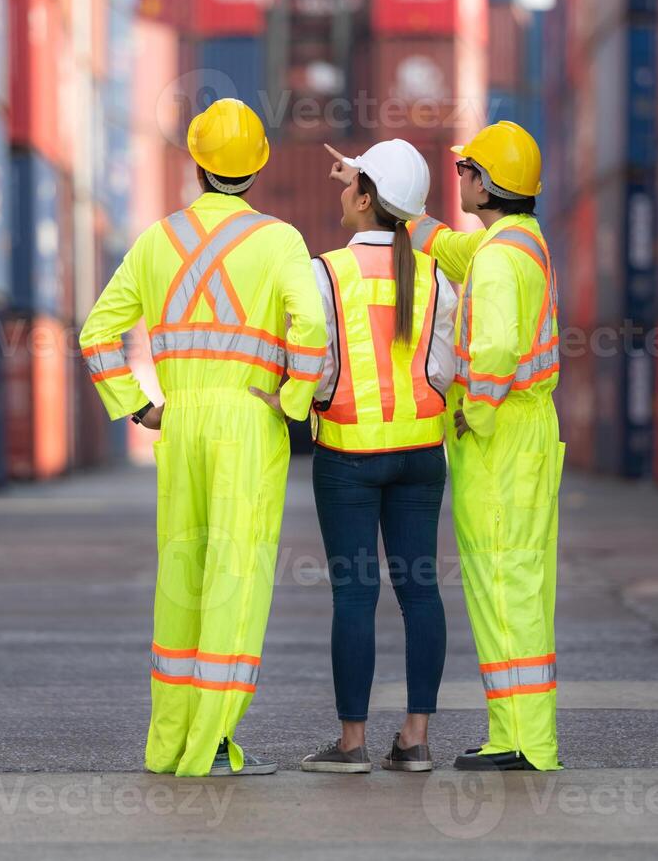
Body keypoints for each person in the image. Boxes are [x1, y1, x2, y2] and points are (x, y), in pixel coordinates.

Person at [78, 99, 329, 778]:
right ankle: (214, 741)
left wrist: (140, 407)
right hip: (249, 419)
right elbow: (312, 330)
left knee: (181, 574)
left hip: (183, 420)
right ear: (259, 167)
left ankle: (172, 740)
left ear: (195, 165)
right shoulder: (280, 242)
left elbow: (96, 333)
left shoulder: (158, 240)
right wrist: (295, 400)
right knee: (235, 575)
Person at [291, 140, 458, 775]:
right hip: (421, 453)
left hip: (348, 457)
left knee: (355, 596)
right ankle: (414, 740)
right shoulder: (436, 274)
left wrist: (311, 400)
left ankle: (352, 745)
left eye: (349, 186)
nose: (340, 193)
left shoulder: (324, 272)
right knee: (421, 592)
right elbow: (443, 367)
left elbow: (315, 364)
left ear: (364, 199)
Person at [408, 121, 564, 772]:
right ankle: (523, 733)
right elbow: (451, 250)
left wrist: (473, 411)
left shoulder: (499, 260)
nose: (459, 179)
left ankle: (520, 741)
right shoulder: (520, 244)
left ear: (485, 182)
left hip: (499, 444)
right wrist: (403, 215)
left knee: (502, 585)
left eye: (465, 171)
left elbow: (495, 349)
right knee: (521, 583)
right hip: (528, 434)